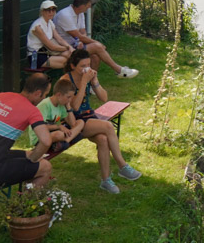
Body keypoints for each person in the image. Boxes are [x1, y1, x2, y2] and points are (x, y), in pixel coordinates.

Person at [48, 59, 143, 194]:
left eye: (88, 65)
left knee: (103, 139)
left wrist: (95, 82)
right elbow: (74, 107)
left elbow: (104, 98)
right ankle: (122, 165)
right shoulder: (66, 81)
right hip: (74, 122)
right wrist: (83, 83)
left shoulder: (87, 78)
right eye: (83, 66)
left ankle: (106, 181)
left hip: (88, 117)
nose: (86, 68)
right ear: (73, 66)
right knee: (108, 127)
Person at [55, 0, 139, 78]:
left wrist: (81, 41)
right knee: (97, 47)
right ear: (81, 6)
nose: (89, 7)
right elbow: (78, 36)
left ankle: (90, 83)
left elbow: (82, 32)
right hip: (65, 48)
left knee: (95, 56)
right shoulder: (65, 15)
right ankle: (120, 70)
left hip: (75, 45)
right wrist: (97, 43)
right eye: (88, 5)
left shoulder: (80, 13)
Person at [26, 0, 73, 70]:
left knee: (71, 55)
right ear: (42, 11)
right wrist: (68, 48)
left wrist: (71, 48)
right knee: (67, 61)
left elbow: (59, 39)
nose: (51, 12)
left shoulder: (50, 22)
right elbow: (52, 47)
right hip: (36, 56)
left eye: (53, 10)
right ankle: (70, 79)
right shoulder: (37, 27)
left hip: (47, 52)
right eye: (48, 10)